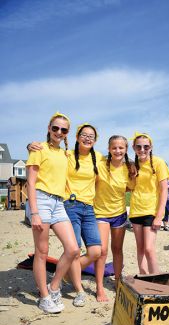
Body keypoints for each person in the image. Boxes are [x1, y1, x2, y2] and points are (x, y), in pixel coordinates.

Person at [27, 122, 104, 306]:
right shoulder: (68, 154)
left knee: (90, 251)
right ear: (76, 137)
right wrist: (30, 146)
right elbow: (41, 162)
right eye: (83, 135)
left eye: (91, 136)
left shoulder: (97, 158)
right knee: (52, 251)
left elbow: (117, 163)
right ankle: (69, 291)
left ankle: (61, 280)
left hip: (83, 206)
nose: (87, 138)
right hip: (67, 203)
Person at [26, 112, 80, 313]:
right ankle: (44, 297)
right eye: (55, 128)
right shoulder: (38, 149)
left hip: (59, 203)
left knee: (73, 249)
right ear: (49, 128)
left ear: (67, 134)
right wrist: (35, 213)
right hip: (40, 200)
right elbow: (30, 182)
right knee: (42, 251)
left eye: (63, 130)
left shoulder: (65, 154)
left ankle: (54, 286)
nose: (59, 132)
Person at [94, 135, 135, 299]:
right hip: (100, 213)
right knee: (102, 251)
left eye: (121, 148)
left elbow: (129, 188)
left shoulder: (129, 169)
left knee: (117, 249)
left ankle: (118, 280)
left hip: (119, 214)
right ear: (109, 148)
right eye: (114, 147)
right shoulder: (100, 164)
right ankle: (99, 287)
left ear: (126, 149)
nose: (117, 150)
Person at [129, 132, 169, 274]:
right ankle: (143, 276)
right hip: (136, 210)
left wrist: (160, 216)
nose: (142, 150)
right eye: (139, 147)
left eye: (146, 147)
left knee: (149, 248)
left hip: (151, 211)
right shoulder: (133, 165)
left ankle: (157, 280)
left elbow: (164, 190)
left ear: (151, 147)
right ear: (134, 148)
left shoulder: (158, 162)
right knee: (140, 248)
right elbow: (129, 187)